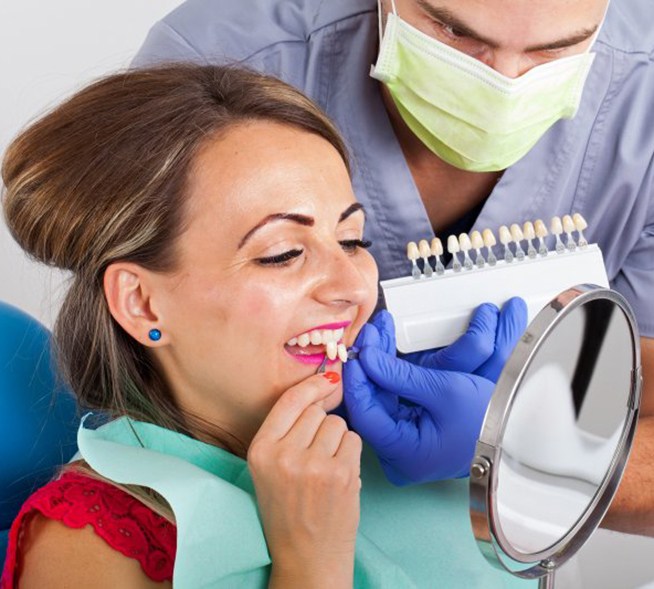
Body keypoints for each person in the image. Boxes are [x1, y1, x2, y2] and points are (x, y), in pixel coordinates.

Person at [133, 0, 654, 534]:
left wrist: (524, 449)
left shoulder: (643, 86)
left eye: (556, 49)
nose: (504, 84)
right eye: (453, 30)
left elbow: (637, 371)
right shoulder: (221, 64)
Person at [0, 64, 529, 588]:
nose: (352, 286)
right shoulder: (85, 547)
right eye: (282, 254)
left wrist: (510, 466)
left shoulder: (395, 446)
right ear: (142, 304)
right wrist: (309, 561)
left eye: (351, 240)